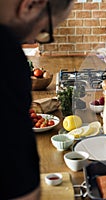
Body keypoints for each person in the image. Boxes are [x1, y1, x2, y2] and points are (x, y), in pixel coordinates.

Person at [0, 0, 74, 199]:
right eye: (43, 31)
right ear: (32, 4)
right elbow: (20, 186)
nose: (34, 38)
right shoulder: (5, 53)